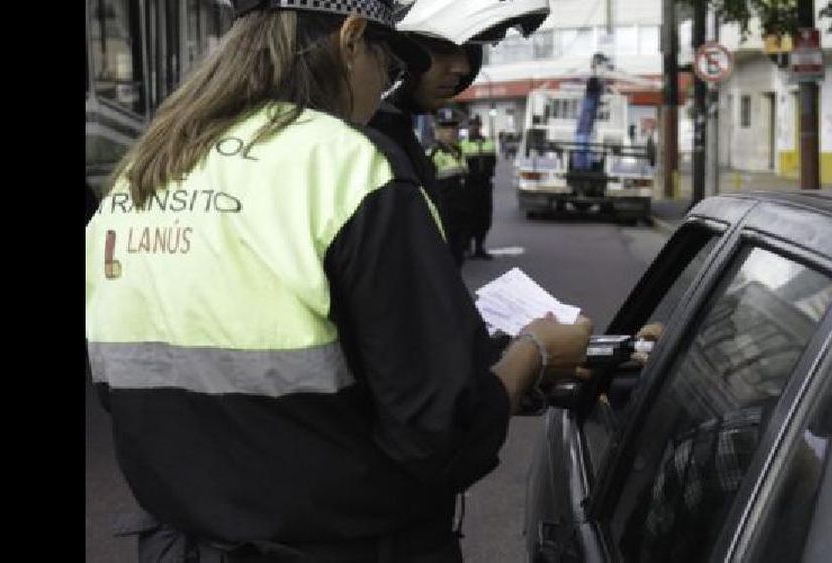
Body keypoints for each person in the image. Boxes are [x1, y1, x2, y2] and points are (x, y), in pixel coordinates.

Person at [85, 1, 594, 561]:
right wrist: (535, 355)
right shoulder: (350, 165)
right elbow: (440, 434)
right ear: (351, 39)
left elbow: (142, 387)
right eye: (388, 66)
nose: (385, 89)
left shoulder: (143, 171)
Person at [369, 0, 549, 228]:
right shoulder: (370, 145)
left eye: (469, 52)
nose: (462, 67)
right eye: (444, 50)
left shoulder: (394, 134)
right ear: (400, 50)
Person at [427, 107, 470, 266]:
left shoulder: (459, 151)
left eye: (453, 127)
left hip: (461, 214)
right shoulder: (433, 155)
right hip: (445, 216)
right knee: (447, 261)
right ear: (436, 131)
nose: (451, 132)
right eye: (445, 128)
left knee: (459, 258)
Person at [459, 115, 497, 259]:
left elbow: (493, 162)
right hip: (469, 187)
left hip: (485, 186)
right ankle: (467, 247)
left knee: (484, 216)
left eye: (476, 125)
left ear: (480, 126)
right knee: (468, 216)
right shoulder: (462, 145)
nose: (474, 128)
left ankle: (480, 247)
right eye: (471, 125)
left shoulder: (489, 143)